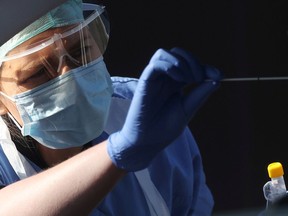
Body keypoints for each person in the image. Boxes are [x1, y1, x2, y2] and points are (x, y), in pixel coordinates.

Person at [0, 0, 222, 215]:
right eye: (39, 72)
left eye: (80, 51)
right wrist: (117, 153)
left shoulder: (145, 111)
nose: (72, 79)